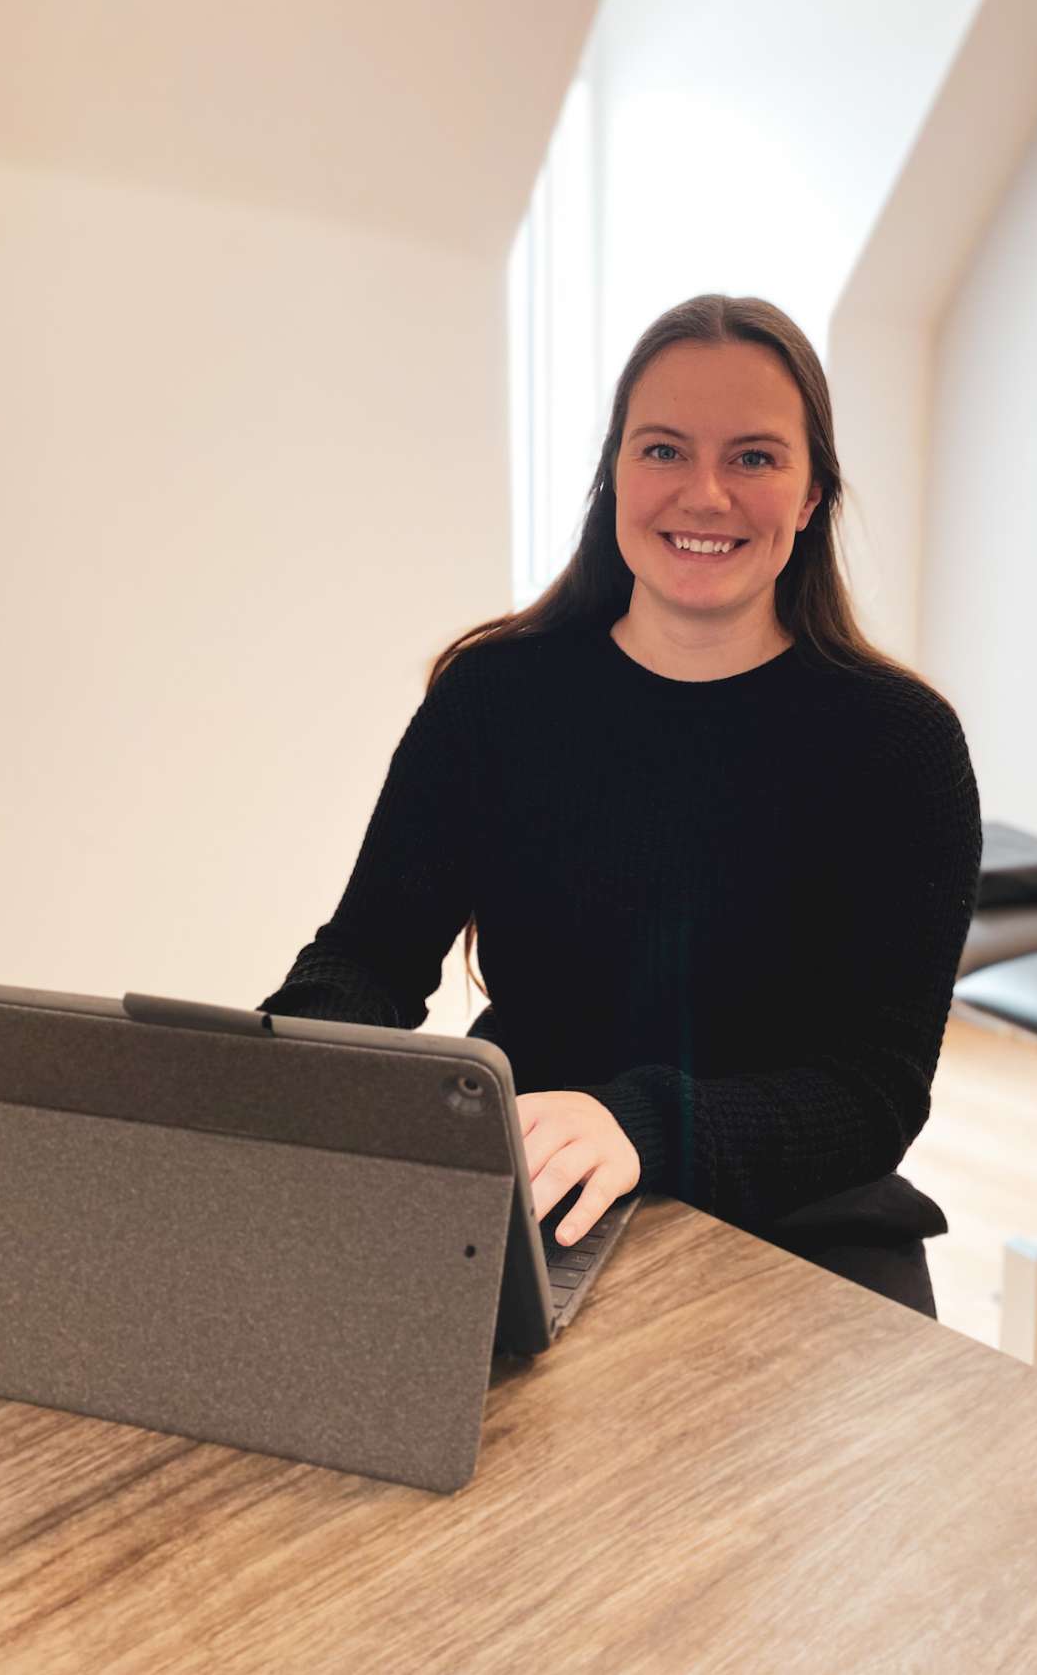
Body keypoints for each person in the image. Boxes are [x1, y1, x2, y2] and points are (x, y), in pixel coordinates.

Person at [257, 293, 981, 1322]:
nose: (703, 492)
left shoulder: (897, 744)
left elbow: (872, 1089)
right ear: (613, 473)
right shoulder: (495, 697)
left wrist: (639, 1121)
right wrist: (287, 1074)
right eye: (661, 449)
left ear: (813, 489)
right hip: (523, 1184)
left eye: (753, 457)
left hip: (795, 1220)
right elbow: (368, 956)